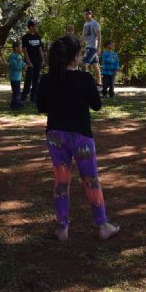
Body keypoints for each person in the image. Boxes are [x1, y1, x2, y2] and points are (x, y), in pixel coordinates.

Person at [36, 35, 120, 241]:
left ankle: (62, 227)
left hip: (55, 136)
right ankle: (102, 225)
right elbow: (97, 105)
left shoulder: (47, 79)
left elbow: (41, 107)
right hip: (81, 137)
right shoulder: (85, 79)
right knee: (91, 180)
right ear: (75, 57)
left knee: (61, 181)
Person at [21, 19, 44, 104]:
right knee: (28, 78)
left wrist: (42, 59)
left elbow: (40, 49)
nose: (37, 27)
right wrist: (28, 62)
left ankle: (33, 96)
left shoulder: (38, 36)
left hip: (37, 61)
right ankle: (24, 95)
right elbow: (24, 50)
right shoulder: (25, 37)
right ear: (31, 27)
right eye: (36, 26)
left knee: (36, 79)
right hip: (30, 62)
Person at [81, 9, 102, 87]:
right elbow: (83, 35)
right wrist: (79, 44)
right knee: (95, 65)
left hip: (93, 47)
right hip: (87, 46)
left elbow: (99, 35)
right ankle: (99, 82)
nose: (85, 16)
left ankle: (85, 82)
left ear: (91, 14)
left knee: (83, 64)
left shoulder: (95, 23)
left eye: (87, 14)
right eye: (84, 14)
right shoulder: (85, 24)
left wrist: (99, 47)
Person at [7, 41, 26, 109]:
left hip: (17, 77)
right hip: (14, 77)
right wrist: (23, 65)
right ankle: (16, 105)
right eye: (20, 47)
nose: (22, 49)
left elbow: (20, 64)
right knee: (16, 91)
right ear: (16, 48)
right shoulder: (13, 56)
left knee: (17, 91)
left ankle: (15, 104)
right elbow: (16, 66)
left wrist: (23, 64)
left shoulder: (19, 56)